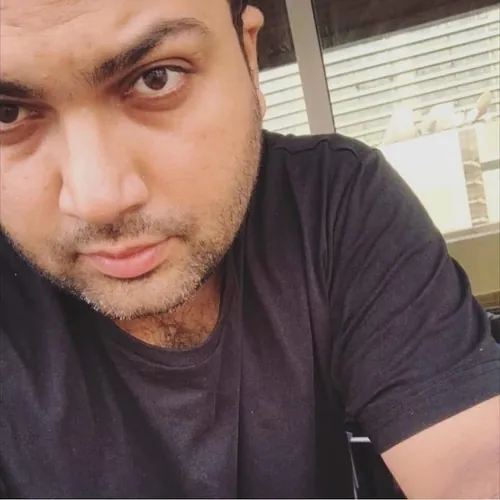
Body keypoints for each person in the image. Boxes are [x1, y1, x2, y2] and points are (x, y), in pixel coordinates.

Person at [0, 0, 499, 497]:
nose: (98, 199)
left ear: (249, 57)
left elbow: (473, 469)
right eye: (7, 113)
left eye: (157, 78)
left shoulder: (330, 204)